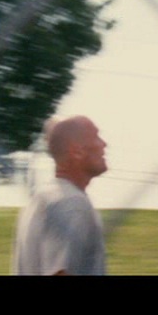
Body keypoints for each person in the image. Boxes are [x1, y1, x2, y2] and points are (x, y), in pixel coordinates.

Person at [13, 115, 109, 275]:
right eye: (96, 137)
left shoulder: (41, 198)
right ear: (77, 152)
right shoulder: (72, 205)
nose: (104, 144)